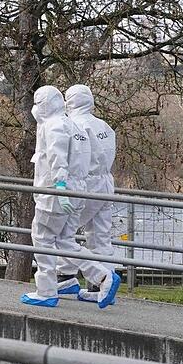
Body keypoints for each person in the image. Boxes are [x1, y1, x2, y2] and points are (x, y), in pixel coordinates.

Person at [21, 86, 120, 309]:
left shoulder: (59, 125)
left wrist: (61, 187)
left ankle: (48, 289)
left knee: (44, 238)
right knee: (78, 238)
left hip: (60, 190)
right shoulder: (94, 126)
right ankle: (103, 277)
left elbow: (57, 160)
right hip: (90, 186)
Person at [54, 84, 118, 303]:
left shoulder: (72, 125)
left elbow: (72, 158)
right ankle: (102, 284)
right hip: (106, 183)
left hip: (84, 183)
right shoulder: (104, 126)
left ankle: (66, 277)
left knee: (64, 232)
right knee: (100, 235)